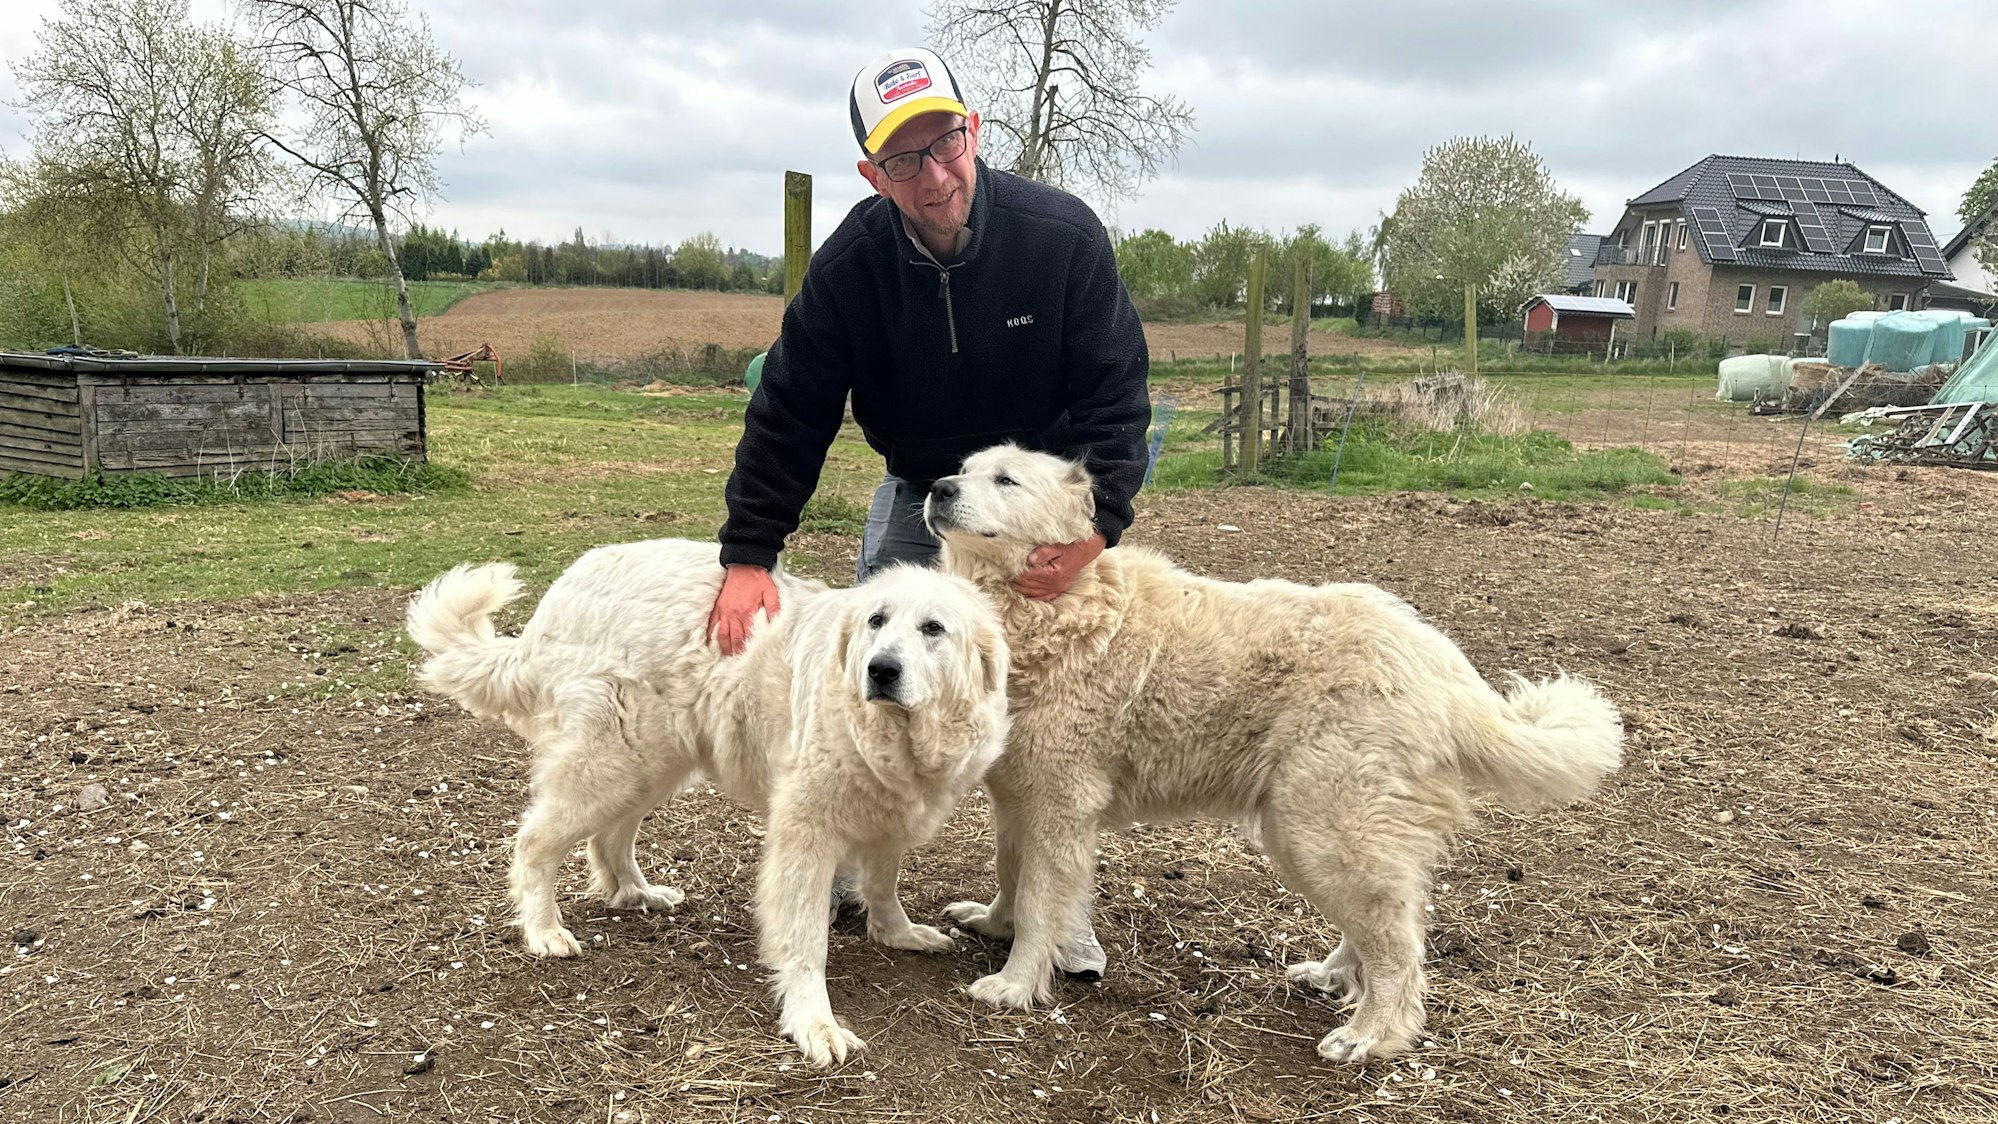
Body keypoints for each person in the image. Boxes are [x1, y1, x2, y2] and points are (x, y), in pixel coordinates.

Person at [705, 46, 1152, 662]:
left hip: (1040, 502)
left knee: (1056, 684)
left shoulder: (1062, 239)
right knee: (885, 663)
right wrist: (751, 554)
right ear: (874, 176)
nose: (936, 177)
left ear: (971, 130)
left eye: (944, 143)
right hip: (926, 489)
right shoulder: (849, 271)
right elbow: (791, 411)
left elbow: (1115, 395)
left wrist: (1097, 526)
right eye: (904, 161)